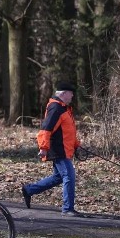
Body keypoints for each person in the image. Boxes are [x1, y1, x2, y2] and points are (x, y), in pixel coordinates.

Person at [21, 82, 82, 216]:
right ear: (64, 93)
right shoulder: (56, 108)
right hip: (58, 149)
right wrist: (43, 147)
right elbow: (46, 129)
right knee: (69, 176)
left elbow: (68, 131)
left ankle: (29, 190)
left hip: (64, 149)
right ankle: (67, 209)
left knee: (58, 177)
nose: (72, 96)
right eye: (71, 93)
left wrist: (76, 145)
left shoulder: (64, 108)